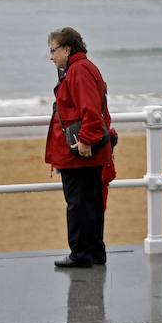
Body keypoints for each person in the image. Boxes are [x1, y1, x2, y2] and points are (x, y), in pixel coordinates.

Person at [45, 27, 113, 269]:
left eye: (53, 50)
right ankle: (95, 251)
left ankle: (80, 254)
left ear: (67, 48)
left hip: (79, 151)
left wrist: (85, 139)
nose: (51, 56)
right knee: (90, 201)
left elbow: (90, 109)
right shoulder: (81, 68)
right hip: (86, 149)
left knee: (78, 203)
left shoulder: (79, 70)